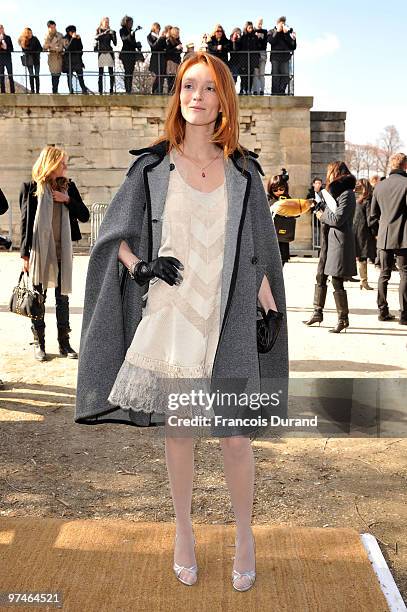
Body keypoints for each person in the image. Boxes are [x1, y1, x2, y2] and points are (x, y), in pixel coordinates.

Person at [75, 51, 288, 592]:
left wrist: (268, 304)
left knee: (236, 438)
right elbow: (112, 238)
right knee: (182, 431)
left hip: (229, 318)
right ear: (178, 96)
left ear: (224, 101)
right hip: (173, 319)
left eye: (209, 88)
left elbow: (258, 252)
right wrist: (139, 267)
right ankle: (184, 530)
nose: (197, 96)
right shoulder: (150, 167)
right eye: (187, 86)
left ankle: (244, 535)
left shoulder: (244, 171)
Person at [20, 146, 89, 361]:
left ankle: (64, 344)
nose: (66, 167)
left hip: (62, 252)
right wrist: (25, 256)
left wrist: (67, 199)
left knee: (63, 299)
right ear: (51, 164)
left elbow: (85, 215)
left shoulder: (70, 187)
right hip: (40, 252)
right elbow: (25, 224)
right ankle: (38, 343)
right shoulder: (30, 188)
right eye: (62, 163)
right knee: (38, 298)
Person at [303, 161, 356, 333]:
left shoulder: (347, 194)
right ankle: (317, 312)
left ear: (336, 173)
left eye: (330, 173)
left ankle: (343, 319)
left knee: (336, 280)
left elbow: (337, 219)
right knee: (320, 277)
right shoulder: (333, 194)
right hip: (328, 241)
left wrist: (321, 214)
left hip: (339, 242)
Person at [369, 153, 407, 324]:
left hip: (384, 237)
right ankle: (404, 314)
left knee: (383, 275)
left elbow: (373, 215)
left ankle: (382, 311)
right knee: (405, 274)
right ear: (405, 165)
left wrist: (379, 232)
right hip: (404, 236)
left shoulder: (379, 186)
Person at [267, 172, 295, 266]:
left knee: (281, 261)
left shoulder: (288, 199)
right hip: (271, 235)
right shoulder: (268, 199)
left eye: (281, 189)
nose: (278, 192)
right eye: (275, 189)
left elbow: (296, 213)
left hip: (284, 235)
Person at [353, 179, 376, 290]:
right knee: (363, 257)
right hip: (364, 232)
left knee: (359, 256)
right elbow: (369, 218)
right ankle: (364, 281)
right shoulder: (368, 200)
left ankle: (363, 281)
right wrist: (375, 232)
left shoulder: (355, 199)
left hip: (355, 230)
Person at [267, 16, 296, 95]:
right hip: (275, 58)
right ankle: (275, 93)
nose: (283, 25)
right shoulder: (271, 31)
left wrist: (287, 34)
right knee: (275, 76)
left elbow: (293, 46)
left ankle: (282, 91)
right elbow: (271, 41)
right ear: (278, 23)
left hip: (285, 58)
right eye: (281, 23)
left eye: (284, 23)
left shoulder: (287, 32)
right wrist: (278, 31)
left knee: (285, 76)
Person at [119, 15, 144, 94]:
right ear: (126, 22)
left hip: (132, 54)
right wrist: (132, 33)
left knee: (131, 72)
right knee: (127, 72)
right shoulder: (122, 30)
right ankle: (127, 90)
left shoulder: (132, 31)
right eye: (130, 22)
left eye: (132, 22)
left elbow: (132, 43)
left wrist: (137, 45)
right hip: (126, 54)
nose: (131, 24)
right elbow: (124, 39)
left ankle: (129, 90)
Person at [62, 26, 88, 94]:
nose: (73, 33)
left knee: (80, 76)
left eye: (74, 31)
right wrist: (73, 39)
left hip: (77, 60)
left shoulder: (76, 38)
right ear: (68, 32)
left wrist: (79, 40)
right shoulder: (65, 38)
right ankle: (71, 90)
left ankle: (84, 89)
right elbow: (68, 48)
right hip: (69, 61)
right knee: (69, 77)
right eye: (71, 31)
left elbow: (80, 47)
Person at [95, 17, 117, 95]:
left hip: (109, 52)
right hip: (101, 53)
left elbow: (115, 43)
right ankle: (100, 90)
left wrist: (113, 35)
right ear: (102, 22)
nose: (107, 23)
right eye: (106, 22)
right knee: (100, 73)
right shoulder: (98, 30)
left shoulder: (111, 31)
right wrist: (104, 33)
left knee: (111, 73)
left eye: (108, 22)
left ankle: (111, 89)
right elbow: (96, 38)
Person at [18, 28, 42, 94]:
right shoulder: (23, 40)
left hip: (36, 59)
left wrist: (35, 51)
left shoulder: (35, 39)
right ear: (26, 33)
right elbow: (24, 50)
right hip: (29, 59)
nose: (31, 34)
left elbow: (40, 48)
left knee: (37, 75)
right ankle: (32, 90)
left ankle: (37, 91)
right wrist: (31, 50)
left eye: (31, 32)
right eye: (29, 33)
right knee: (31, 75)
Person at [43, 20, 64, 94]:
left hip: (59, 56)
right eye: (51, 27)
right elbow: (44, 47)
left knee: (58, 74)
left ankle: (55, 89)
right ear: (48, 28)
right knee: (54, 74)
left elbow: (65, 44)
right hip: (52, 56)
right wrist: (49, 45)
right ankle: (54, 90)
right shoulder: (47, 36)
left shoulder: (60, 35)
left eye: (54, 27)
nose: (53, 28)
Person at [239, 21, 260, 95]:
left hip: (252, 59)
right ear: (246, 28)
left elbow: (258, 47)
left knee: (250, 75)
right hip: (243, 59)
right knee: (243, 76)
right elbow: (239, 47)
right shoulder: (242, 37)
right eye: (249, 28)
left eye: (251, 27)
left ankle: (249, 90)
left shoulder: (255, 37)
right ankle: (243, 89)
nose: (250, 29)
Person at [147, 22, 165, 94]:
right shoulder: (149, 36)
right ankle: (153, 91)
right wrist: (159, 39)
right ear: (154, 28)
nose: (159, 30)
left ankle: (160, 92)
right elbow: (153, 46)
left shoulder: (160, 37)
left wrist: (163, 38)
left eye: (159, 29)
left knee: (161, 76)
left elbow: (164, 47)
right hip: (155, 58)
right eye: (158, 28)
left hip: (162, 58)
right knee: (156, 76)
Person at [165, 27, 183, 94]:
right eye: (177, 32)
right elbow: (168, 52)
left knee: (177, 80)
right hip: (171, 63)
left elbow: (180, 51)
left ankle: (175, 94)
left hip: (177, 62)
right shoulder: (169, 40)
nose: (178, 34)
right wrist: (176, 48)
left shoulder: (178, 40)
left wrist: (180, 48)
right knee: (171, 81)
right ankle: (170, 94)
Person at [253, 18, 268, 95]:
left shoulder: (265, 32)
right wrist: (256, 38)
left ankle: (262, 90)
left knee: (261, 73)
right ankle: (255, 91)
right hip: (254, 55)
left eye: (261, 23)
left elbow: (264, 44)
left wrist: (259, 39)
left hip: (262, 53)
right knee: (255, 73)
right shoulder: (253, 31)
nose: (260, 25)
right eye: (259, 23)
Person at [0, 24, 15, 93]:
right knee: (1, 76)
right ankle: (3, 91)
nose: (1, 30)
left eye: (1, 28)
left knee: (10, 75)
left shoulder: (8, 38)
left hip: (8, 59)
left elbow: (12, 49)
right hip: (0, 60)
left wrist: (6, 48)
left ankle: (12, 91)